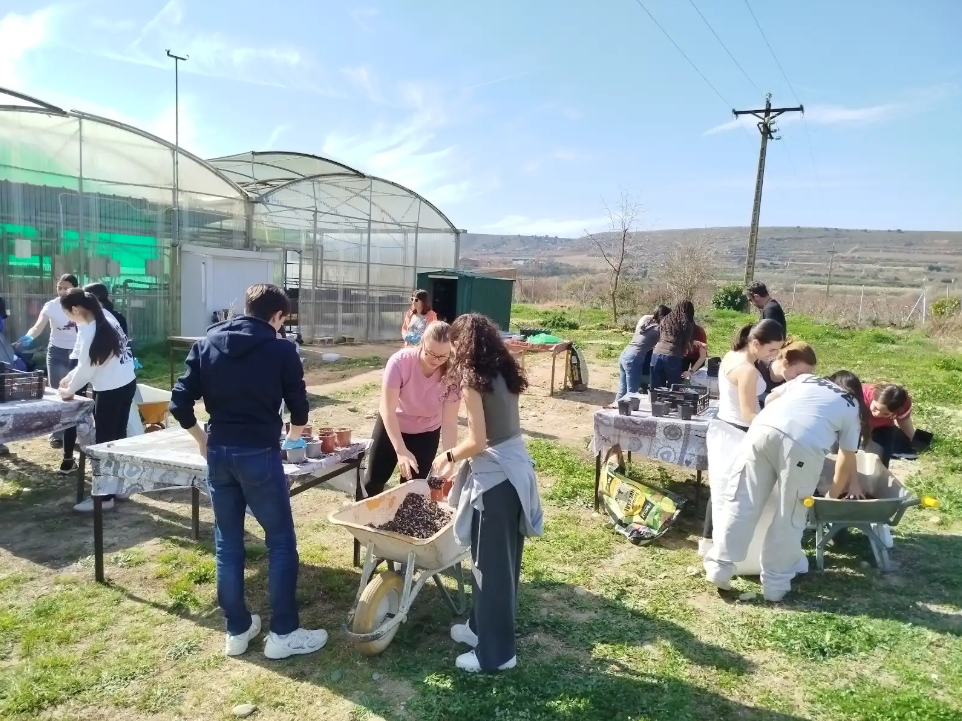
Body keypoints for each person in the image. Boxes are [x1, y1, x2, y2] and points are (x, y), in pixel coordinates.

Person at [169, 284, 328, 660]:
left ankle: (237, 628)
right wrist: (292, 439)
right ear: (278, 316)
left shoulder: (207, 343)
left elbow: (179, 402)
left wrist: (202, 440)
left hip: (220, 452)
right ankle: (283, 633)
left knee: (228, 543)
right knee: (280, 542)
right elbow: (299, 408)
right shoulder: (281, 349)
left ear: (247, 308)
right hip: (259, 452)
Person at [431, 313, 543, 673]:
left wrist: (447, 457)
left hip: (497, 482)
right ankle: (480, 628)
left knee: (490, 569)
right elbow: (498, 434)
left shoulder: (471, 380)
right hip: (515, 473)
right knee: (500, 563)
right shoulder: (504, 371)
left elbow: (478, 441)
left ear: (461, 344)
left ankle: (497, 654)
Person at [704, 370, 867, 602]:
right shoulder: (851, 405)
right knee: (789, 514)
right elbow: (846, 456)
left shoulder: (807, 379)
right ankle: (776, 584)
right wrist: (832, 495)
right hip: (802, 445)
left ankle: (719, 567)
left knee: (743, 500)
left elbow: (771, 398)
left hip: (761, 430)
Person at [57, 290, 137, 511]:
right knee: (118, 438)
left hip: (111, 390)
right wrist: (70, 377)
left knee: (104, 443)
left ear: (75, 310)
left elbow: (87, 368)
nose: (69, 319)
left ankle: (104, 497)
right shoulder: (104, 317)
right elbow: (89, 361)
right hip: (126, 382)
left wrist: (69, 390)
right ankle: (120, 487)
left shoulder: (90, 329)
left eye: (67, 314)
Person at [365, 321, 460, 497]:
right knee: (373, 482)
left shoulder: (453, 374)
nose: (435, 360)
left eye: (442, 356)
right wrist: (401, 450)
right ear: (421, 343)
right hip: (393, 424)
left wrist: (449, 460)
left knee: (413, 490)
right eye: (430, 353)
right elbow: (387, 410)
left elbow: (449, 424)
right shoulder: (400, 362)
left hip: (426, 432)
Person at [17, 274, 80, 448]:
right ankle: (56, 433)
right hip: (56, 352)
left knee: (75, 392)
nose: (62, 291)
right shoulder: (51, 306)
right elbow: (38, 326)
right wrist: (28, 337)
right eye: (59, 287)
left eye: (66, 288)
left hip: (77, 353)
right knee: (57, 392)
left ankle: (74, 431)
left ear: (75, 288)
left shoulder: (82, 305)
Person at [614, 305, 670, 402]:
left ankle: (614, 408)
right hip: (634, 358)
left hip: (625, 354)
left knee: (622, 390)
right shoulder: (658, 329)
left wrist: (656, 315)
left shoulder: (647, 323)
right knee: (632, 393)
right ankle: (627, 411)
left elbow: (646, 317)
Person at [862, 383, 915, 467]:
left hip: (883, 427)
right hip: (859, 423)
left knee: (880, 462)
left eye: (885, 414)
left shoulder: (903, 404)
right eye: (875, 408)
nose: (877, 414)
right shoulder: (861, 396)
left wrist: (915, 440)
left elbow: (904, 421)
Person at [649, 300, 695, 390]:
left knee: (656, 389)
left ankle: (656, 400)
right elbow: (685, 342)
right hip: (672, 356)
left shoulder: (666, 318)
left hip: (656, 354)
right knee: (674, 388)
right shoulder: (687, 323)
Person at [756, 341, 817, 406]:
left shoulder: (795, 384)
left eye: (806, 376)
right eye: (799, 374)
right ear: (786, 364)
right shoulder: (756, 369)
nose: (802, 379)